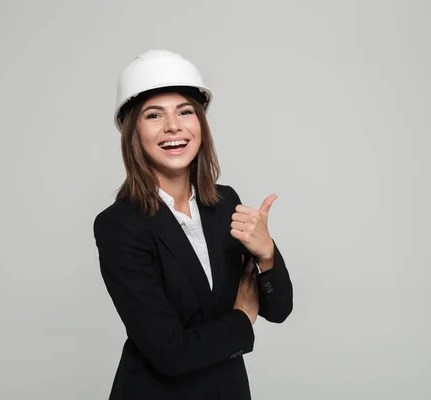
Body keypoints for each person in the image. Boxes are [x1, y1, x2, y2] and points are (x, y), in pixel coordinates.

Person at [93, 49, 293, 400]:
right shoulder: (119, 226)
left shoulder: (225, 202)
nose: (173, 126)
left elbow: (278, 310)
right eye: (154, 115)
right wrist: (242, 320)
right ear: (132, 132)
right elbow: (170, 353)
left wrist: (266, 254)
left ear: (200, 123)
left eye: (185, 111)